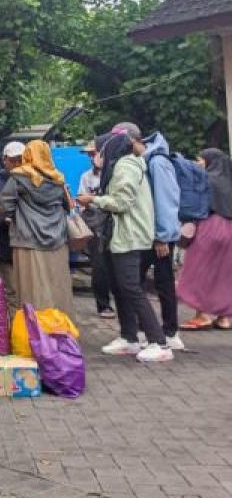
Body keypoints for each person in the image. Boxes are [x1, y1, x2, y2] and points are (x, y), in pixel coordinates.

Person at [79, 132, 174, 362]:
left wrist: (93, 200)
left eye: (98, 152)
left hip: (129, 236)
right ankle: (129, 338)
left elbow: (122, 202)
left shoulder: (125, 166)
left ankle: (159, 343)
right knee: (120, 288)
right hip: (118, 236)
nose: (95, 157)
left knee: (131, 287)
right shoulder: (119, 167)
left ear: (109, 150)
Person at [0, 140, 74, 318]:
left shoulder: (19, 176)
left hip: (28, 242)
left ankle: (36, 333)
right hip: (58, 242)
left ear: (27, 155)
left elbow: (4, 206)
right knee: (57, 287)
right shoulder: (58, 178)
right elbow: (67, 206)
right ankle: (61, 329)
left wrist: (14, 216)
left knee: (31, 290)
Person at [131, 124, 184, 350]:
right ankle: (150, 329)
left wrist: (161, 236)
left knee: (161, 282)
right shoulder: (150, 160)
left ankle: (170, 332)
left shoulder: (157, 162)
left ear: (136, 142)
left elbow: (164, 200)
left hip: (159, 235)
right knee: (139, 280)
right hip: (151, 233)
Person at [177, 148, 232, 330]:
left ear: (210, 161)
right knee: (224, 275)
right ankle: (224, 318)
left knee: (198, 271)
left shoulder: (206, 179)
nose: (198, 163)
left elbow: (197, 205)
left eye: (201, 160)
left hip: (209, 227)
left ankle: (201, 315)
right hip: (229, 230)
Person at [78, 137, 115, 318]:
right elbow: (82, 202)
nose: (93, 158)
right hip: (96, 226)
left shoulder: (116, 174)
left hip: (114, 225)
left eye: (95, 154)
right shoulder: (86, 177)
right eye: (91, 155)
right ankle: (104, 305)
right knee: (99, 267)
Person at [0, 141, 25, 308]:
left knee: (30, 293)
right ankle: (15, 331)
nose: (17, 163)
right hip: (6, 248)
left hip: (28, 249)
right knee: (12, 293)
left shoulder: (32, 180)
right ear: (4, 160)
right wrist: (4, 220)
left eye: (20, 159)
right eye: (13, 160)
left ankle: (32, 331)